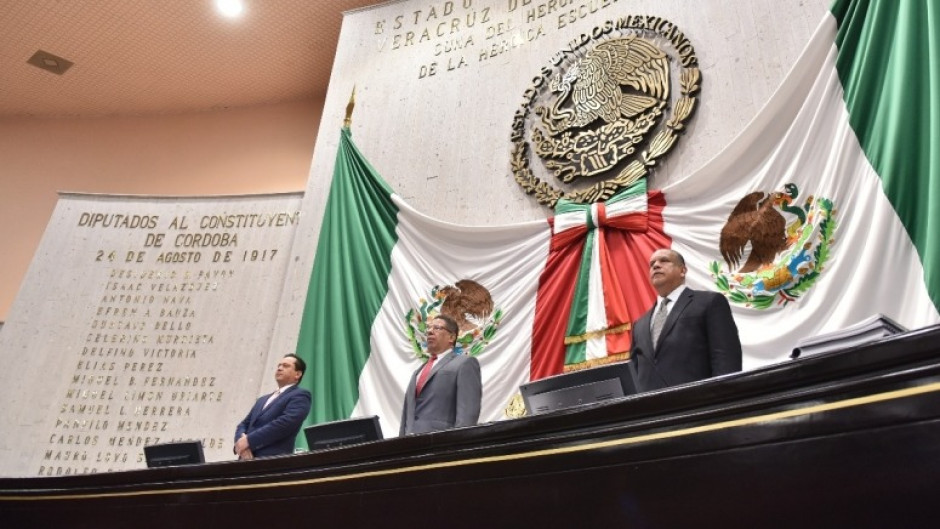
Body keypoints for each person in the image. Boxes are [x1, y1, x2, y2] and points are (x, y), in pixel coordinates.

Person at [629, 248, 742, 393]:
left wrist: (722, 401)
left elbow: (726, 360)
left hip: (697, 406)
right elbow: (634, 372)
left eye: (664, 260)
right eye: (652, 264)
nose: (656, 265)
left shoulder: (709, 302)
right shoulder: (640, 324)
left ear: (682, 271)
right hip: (651, 412)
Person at [400, 314, 482, 435]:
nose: (430, 332)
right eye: (428, 328)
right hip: (411, 448)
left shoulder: (464, 364)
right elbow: (406, 418)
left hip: (442, 447)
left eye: (437, 328)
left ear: (452, 337)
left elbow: (467, 416)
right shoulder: (418, 372)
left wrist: (458, 448)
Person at [234, 354, 312, 459]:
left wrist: (249, 441)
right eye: (279, 365)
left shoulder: (300, 395)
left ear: (297, 374)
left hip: (272, 461)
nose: (279, 368)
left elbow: (285, 423)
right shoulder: (262, 400)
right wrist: (241, 446)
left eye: (285, 366)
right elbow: (243, 424)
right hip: (245, 460)